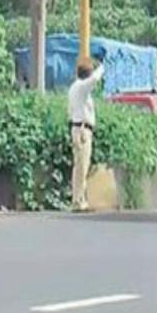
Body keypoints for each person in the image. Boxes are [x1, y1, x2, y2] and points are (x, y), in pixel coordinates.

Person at [68, 57, 105, 212]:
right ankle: (78, 201)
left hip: (78, 128)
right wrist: (102, 67)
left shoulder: (75, 88)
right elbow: (95, 79)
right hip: (82, 129)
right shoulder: (81, 88)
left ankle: (80, 199)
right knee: (81, 167)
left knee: (81, 165)